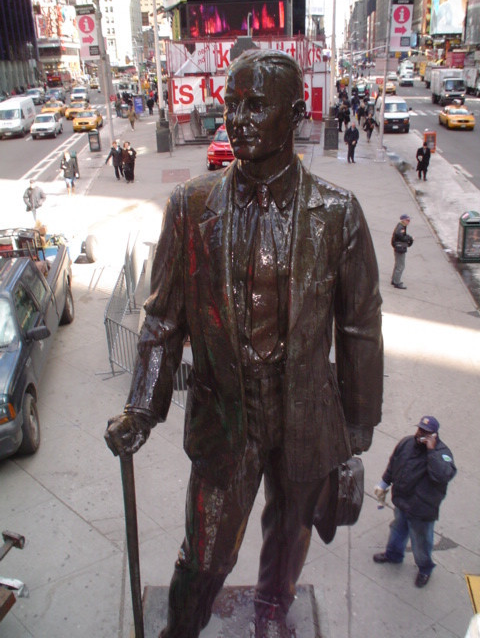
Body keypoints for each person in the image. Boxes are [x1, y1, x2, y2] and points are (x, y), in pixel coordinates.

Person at [105, 49, 383, 638]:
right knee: (205, 553)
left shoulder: (337, 214)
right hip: (226, 415)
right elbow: (162, 319)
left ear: (295, 115)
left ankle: (271, 617)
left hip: (304, 416)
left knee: (288, 540)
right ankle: (180, 630)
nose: (239, 118)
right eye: (232, 104)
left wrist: (356, 432)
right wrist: (141, 407)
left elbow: (360, 327)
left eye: (257, 105)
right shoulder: (191, 206)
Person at [373, 416, 456, 588]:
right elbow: (393, 463)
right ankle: (393, 555)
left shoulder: (442, 454)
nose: (420, 435)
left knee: (421, 541)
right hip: (402, 502)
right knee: (397, 529)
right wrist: (384, 483)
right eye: (419, 430)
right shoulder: (406, 443)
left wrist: (431, 451)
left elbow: (442, 475)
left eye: (425, 433)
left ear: (434, 435)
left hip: (421, 510)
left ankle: (425, 568)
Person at [391, 213, 414, 289]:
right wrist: (410, 238)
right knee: (401, 266)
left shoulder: (401, 226)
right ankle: (397, 282)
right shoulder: (401, 228)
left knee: (397, 264)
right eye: (407, 220)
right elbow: (400, 236)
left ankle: (394, 280)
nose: (409, 221)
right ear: (403, 220)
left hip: (397, 247)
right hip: (400, 249)